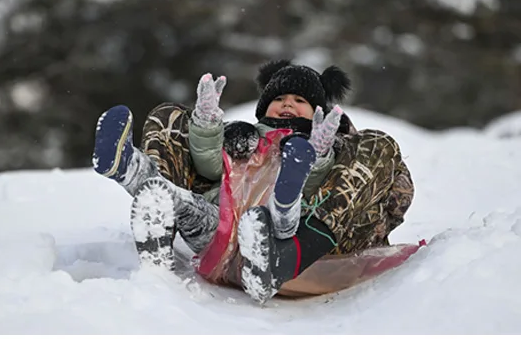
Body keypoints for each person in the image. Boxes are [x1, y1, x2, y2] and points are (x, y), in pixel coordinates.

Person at [92, 59, 414, 302]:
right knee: (175, 140)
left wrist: (318, 150)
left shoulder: (338, 146)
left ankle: (284, 255)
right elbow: (208, 167)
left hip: (303, 242)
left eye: (300, 101)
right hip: (225, 230)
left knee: (289, 209)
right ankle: (143, 183)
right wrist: (207, 124)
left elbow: (322, 184)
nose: (288, 103)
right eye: (280, 98)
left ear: (318, 111)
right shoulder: (247, 137)